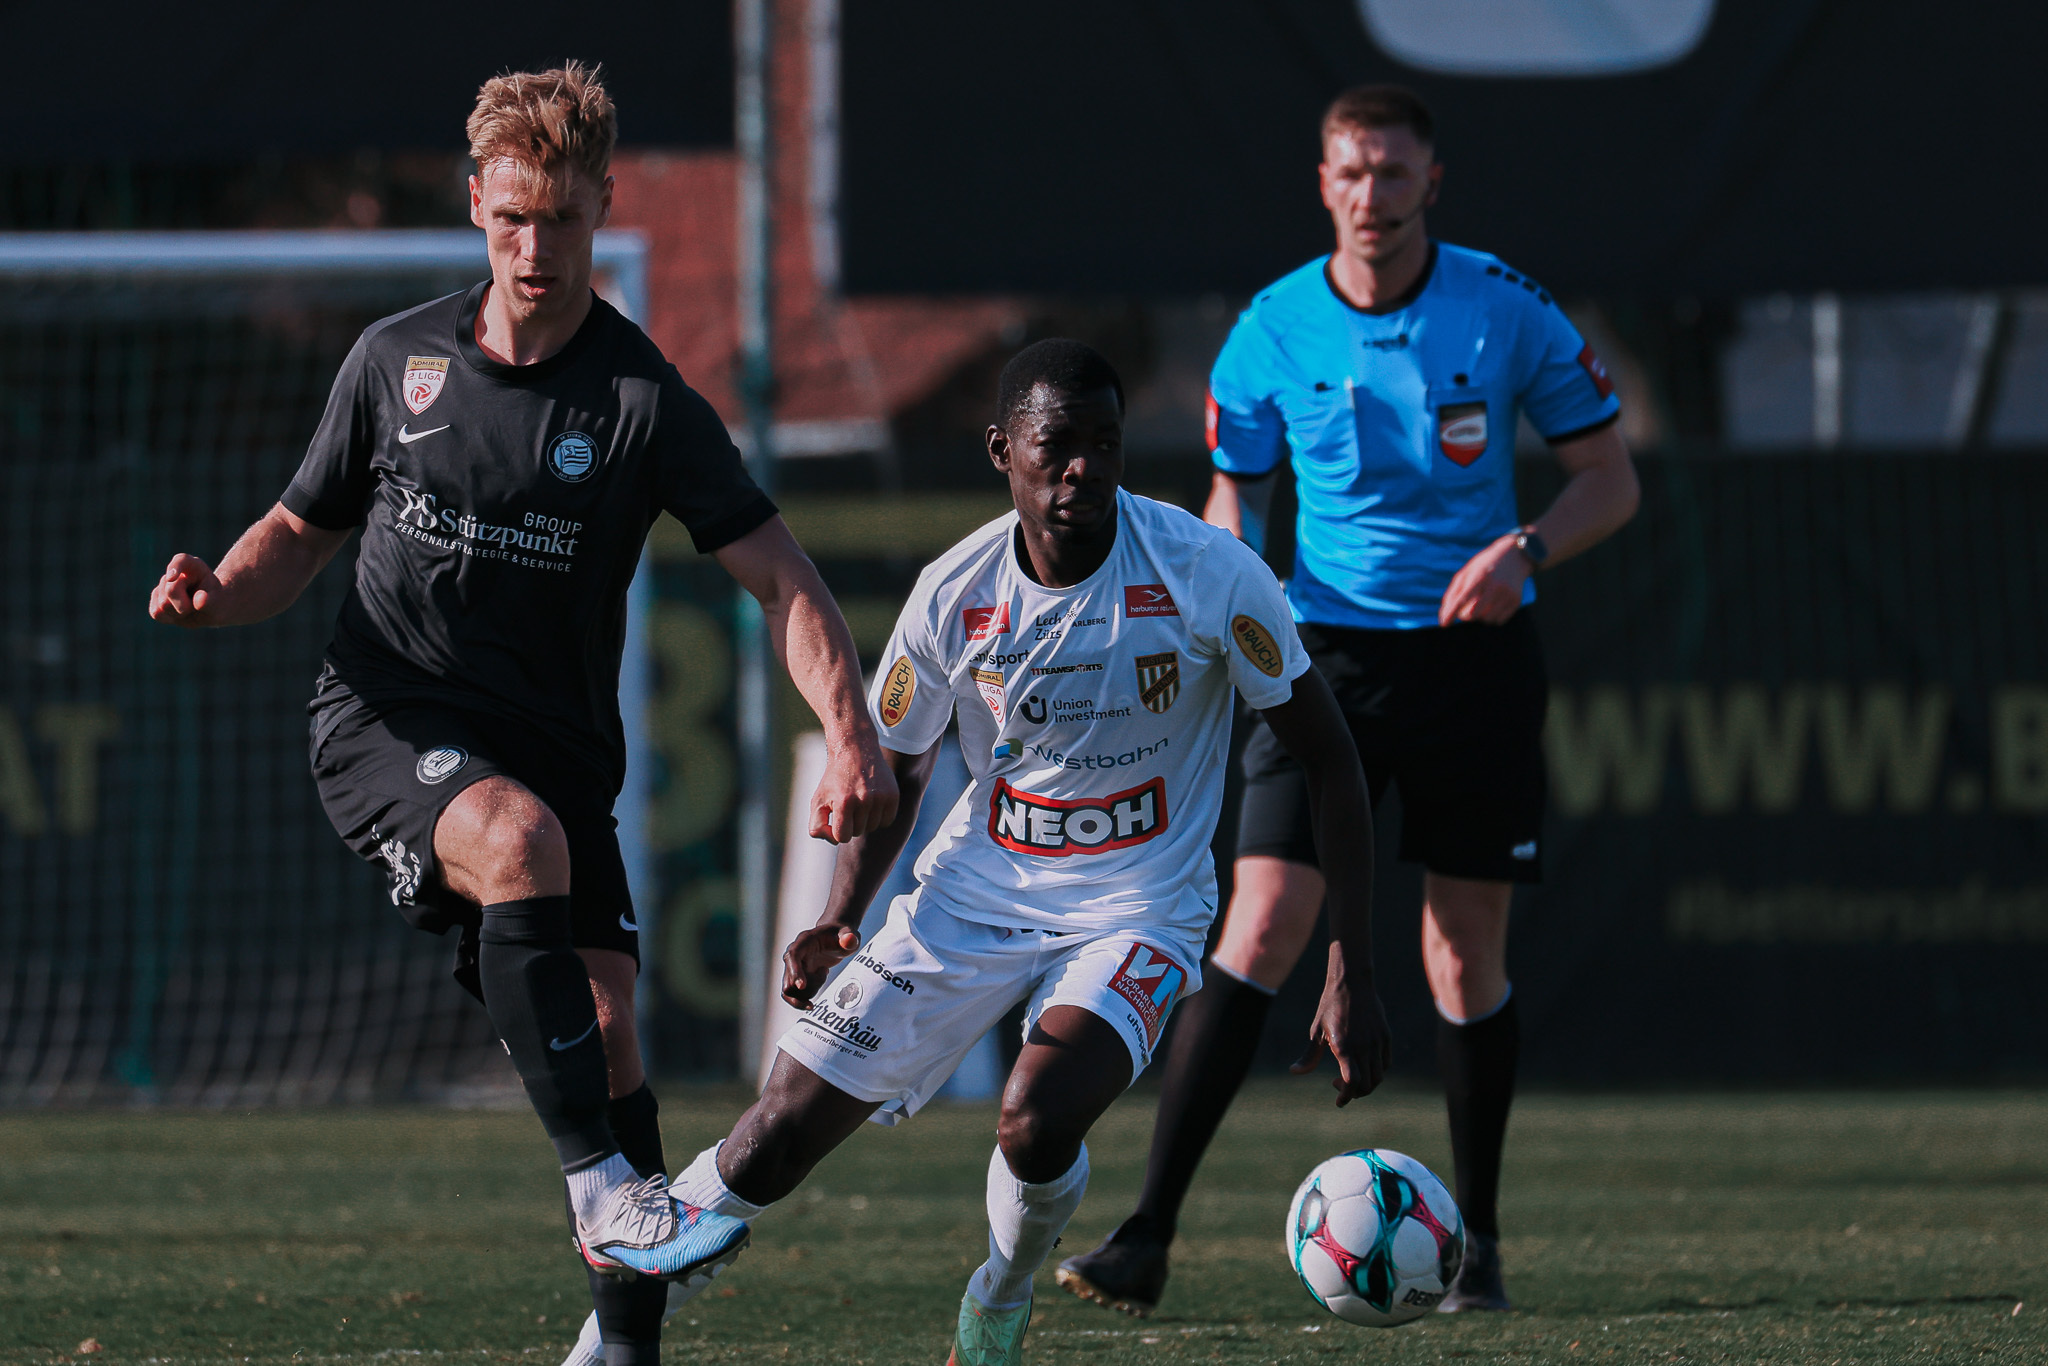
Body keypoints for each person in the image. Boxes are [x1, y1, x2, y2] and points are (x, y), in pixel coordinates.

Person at [145, 63, 897, 1366]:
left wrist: (848, 731)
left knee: (607, 1033)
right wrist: (219, 591)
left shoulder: (642, 402)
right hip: (384, 720)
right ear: (475, 206)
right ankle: (603, 1191)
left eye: (557, 218)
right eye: (509, 219)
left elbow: (782, 579)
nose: (532, 248)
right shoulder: (394, 361)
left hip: (555, 752)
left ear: (600, 205)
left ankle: (624, 1345)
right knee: (515, 839)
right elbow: (298, 532)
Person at [653, 339, 1390, 1365]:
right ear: (1003, 450)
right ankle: (609, 1337)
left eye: (1106, 443)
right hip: (974, 893)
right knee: (772, 1136)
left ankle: (1000, 1290)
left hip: (1138, 908)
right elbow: (898, 769)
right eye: (1057, 444)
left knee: (1035, 1123)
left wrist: (1349, 960)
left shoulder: (1208, 572)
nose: (1084, 466)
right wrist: (837, 915)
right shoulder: (952, 594)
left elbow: (1329, 757)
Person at [1056, 84, 1640, 1317]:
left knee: (1458, 948)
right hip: (1318, 659)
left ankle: (1476, 1246)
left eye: (1392, 172)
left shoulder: (1504, 307)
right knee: (1262, 920)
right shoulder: (1269, 329)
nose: (1371, 195)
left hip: (1474, 657)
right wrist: (1226, 605)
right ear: (1321, 185)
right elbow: (1234, 501)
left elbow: (1608, 478)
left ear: (1431, 181)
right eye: (1350, 173)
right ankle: (1144, 1234)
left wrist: (1525, 548)